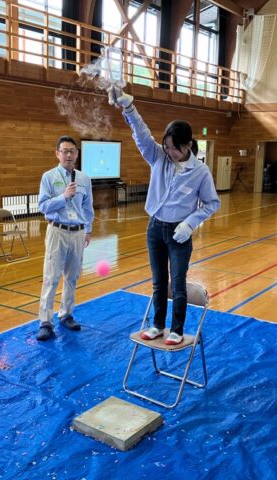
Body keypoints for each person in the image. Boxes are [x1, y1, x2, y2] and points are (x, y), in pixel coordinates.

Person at [108, 87, 219, 345]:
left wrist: (190, 223)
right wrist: (129, 108)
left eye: (174, 148)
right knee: (159, 282)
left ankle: (177, 329)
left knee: (178, 285)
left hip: (179, 234)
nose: (169, 152)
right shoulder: (159, 157)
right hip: (155, 229)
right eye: (166, 147)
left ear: (188, 145)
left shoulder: (200, 172)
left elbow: (212, 203)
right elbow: (142, 135)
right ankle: (158, 325)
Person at [36, 136, 94, 341]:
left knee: (72, 277)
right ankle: (45, 322)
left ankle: (66, 314)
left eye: (72, 151)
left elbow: (87, 207)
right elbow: (42, 206)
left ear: (77, 154)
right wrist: (63, 197)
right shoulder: (49, 177)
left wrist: (88, 230)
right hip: (57, 231)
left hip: (78, 232)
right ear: (57, 153)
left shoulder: (84, 179)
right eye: (64, 151)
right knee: (51, 277)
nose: (68, 155)